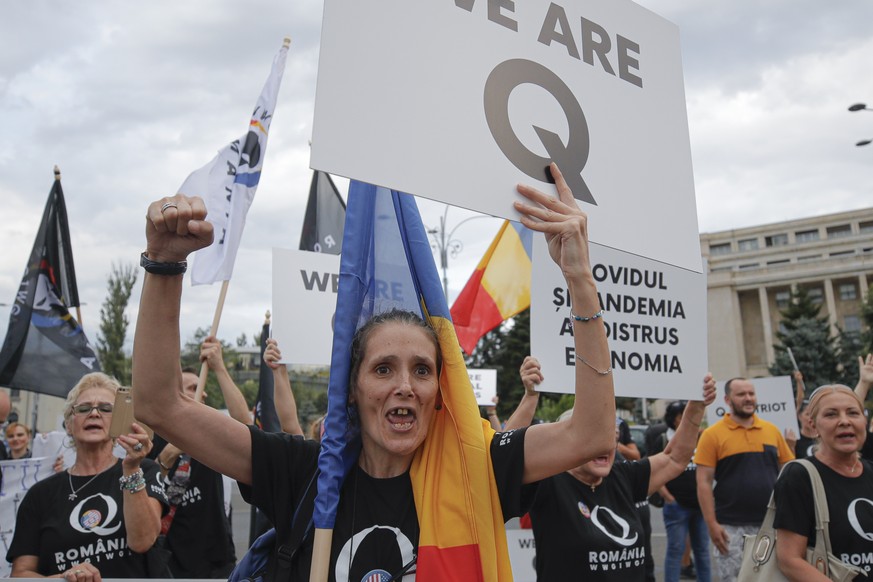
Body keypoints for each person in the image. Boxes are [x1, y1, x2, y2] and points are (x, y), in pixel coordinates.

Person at [131, 162, 618, 579]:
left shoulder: (480, 466)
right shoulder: (304, 474)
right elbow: (162, 406)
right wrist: (165, 266)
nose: (405, 386)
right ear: (354, 387)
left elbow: (593, 434)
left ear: (441, 389)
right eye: (384, 369)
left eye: (423, 370)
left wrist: (578, 278)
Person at [523, 375, 716, 580]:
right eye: (594, 437)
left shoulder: (622, 475)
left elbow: (675, 458)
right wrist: (530, 397)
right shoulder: (548, 481)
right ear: (568, 443)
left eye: (612, 438)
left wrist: (696, 406)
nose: (606, 445)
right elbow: (504, 464)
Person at [7, 372, 167, 578]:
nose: (94, 413)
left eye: (106, 408)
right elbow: (20, 574)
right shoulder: (40, 495)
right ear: (69, 425)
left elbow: (142, 542)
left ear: (119, 420)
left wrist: (131, 469)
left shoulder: (143, 470)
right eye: (83, 408)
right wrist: (65, 578)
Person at [149, 349, 250, 579]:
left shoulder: (210, 433)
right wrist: (170, 452)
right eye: (192, 388)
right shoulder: (153, 437)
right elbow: (144, 489)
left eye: (201, 389)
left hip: (217, 563)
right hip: (169, 564)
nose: (201, 394)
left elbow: (246, 425)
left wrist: (219, 368)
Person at [694, 377, 795, 582]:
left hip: (771, 524)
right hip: (730, 527)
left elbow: (789, 473)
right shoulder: (712, 435)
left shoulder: (771, 430)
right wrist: (712, 524)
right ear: (727, 399)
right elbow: (703, 482)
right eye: (741, 394)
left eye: (751, 393)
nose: (748, 398)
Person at [773, 384, 873, 580]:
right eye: (831, 415)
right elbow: (789, 560)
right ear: (813, 425)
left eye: (853, 413)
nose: (844, 421)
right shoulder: (799, 476)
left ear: (864, 421)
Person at [651, 401, 711, 582]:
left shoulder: (701, 438)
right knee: (675, 551)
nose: (688, 417)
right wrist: (667, 497)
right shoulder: (663, 440)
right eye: (682, 415)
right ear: (675, 420)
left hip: (699, 505)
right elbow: (653, 471)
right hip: (676, 506)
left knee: (702, 551)